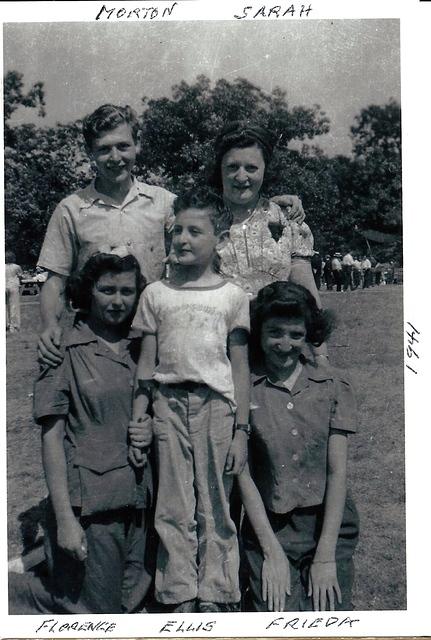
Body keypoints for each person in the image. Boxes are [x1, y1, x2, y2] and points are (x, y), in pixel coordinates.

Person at [37, 106, 303, 367]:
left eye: (123, 146)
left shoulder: (163, 202)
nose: (115, 157)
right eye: (104, 149)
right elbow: (54, 279)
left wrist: (270, 203)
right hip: (95, 335)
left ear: (137, 144)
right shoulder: (70, 209)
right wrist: (50, 325)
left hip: (152, 332)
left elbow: (209, 217)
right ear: (89, 152)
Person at [9, 253, 153, 614]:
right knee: (93, 613)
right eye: (107, 290)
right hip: (91, 505)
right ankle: (14, 594)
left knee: (134, 599)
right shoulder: (61, 350)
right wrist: (66, 521)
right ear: (87, 291)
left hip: (142, 499)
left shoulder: (145, 348)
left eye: (127, 291)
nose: (118, 301)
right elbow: (52, 440)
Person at [129, 188, 250, 613]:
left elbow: (238, 367)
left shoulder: (232, 296)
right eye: (176, 230)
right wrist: (139, 419)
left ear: (218, 238)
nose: (182, 238)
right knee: (174, 502)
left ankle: (217, 591)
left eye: (195, 231)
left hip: (216, 407)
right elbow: (146, 363)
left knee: (216, 500)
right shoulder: (155, 295)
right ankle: (178, 591)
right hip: (166, 404)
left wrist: (241, 430)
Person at [238, 282, 359, 612]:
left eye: (296, 335)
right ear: (258, 332)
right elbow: (242, 473)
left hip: (327, 524)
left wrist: (325, 557)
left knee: (329, 615)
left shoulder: (334, 385)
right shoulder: (244, 388)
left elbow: (337, 472)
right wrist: (271, 551)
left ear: (309, 336)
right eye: (275, 333)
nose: (284, 344)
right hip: (269, 526)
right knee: (275, 615)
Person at [209, 121, 320, 302]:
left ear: (265, 170)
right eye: (232, 167)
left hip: (271, 329)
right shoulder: (198, 221)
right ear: (220, 168)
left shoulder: (289, 222)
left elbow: (308, 301)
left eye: (251, 168)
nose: (241, 177)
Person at [5, 250, 23, 333]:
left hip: (4, 286)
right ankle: (14, 325)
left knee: (5, 306)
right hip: (13, 286)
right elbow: (21, 276)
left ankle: (6, 324)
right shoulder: (16, 267)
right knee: (14, 306)